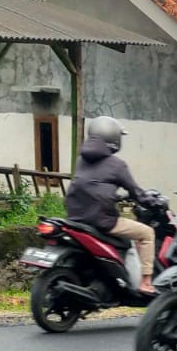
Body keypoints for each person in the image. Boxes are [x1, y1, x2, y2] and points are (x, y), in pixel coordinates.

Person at [66, 115, 155, 296]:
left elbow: (90, 187)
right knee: (147, 233)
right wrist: (151, 201)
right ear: (114, 138)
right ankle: (146, 282)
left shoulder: (80, 160)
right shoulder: (117, 165)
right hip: (102, 220)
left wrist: (113, 197)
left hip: (75, 218)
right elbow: (136, 192)